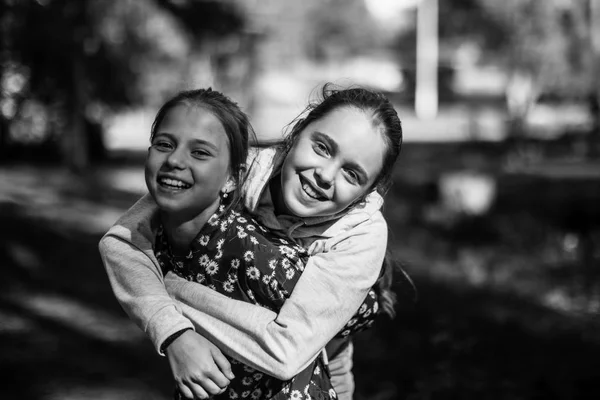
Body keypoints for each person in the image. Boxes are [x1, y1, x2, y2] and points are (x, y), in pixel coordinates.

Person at [100, 83, 404, 399]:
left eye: (352, 174)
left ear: (365, 194)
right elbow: (124, 241)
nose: (325, 175)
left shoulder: (361, 234)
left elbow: (288, 351)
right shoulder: (242, 169)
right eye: (322, 147)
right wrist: (172, 331)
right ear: (297, 134)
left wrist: (173, 290)